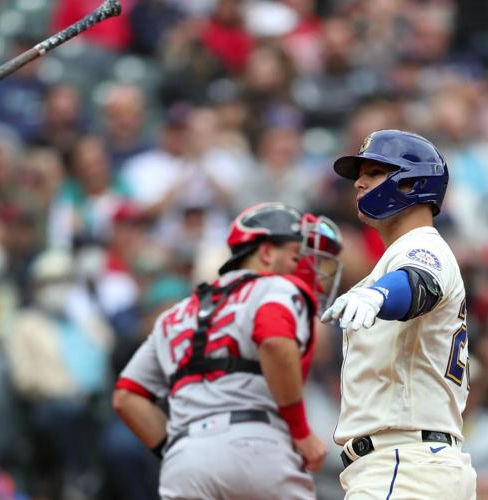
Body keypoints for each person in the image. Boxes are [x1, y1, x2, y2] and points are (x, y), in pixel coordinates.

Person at [113, 202, 344, 499]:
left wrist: (178, 448)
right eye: (297, 255)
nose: (305, 267)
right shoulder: (277, 287)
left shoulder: (178, 312)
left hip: (185, 462)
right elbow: (274, 340)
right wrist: (300, 431)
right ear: (266, 253)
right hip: (258, 446)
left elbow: (126, 396)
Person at [320, 129, 478, 498]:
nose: (358, 182)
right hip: (419, 465)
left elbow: (418, 283)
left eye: (374, 172)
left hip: (403, 468)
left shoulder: (422, 245)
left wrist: (378, 297)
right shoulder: (398, 255)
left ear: (412, 184)